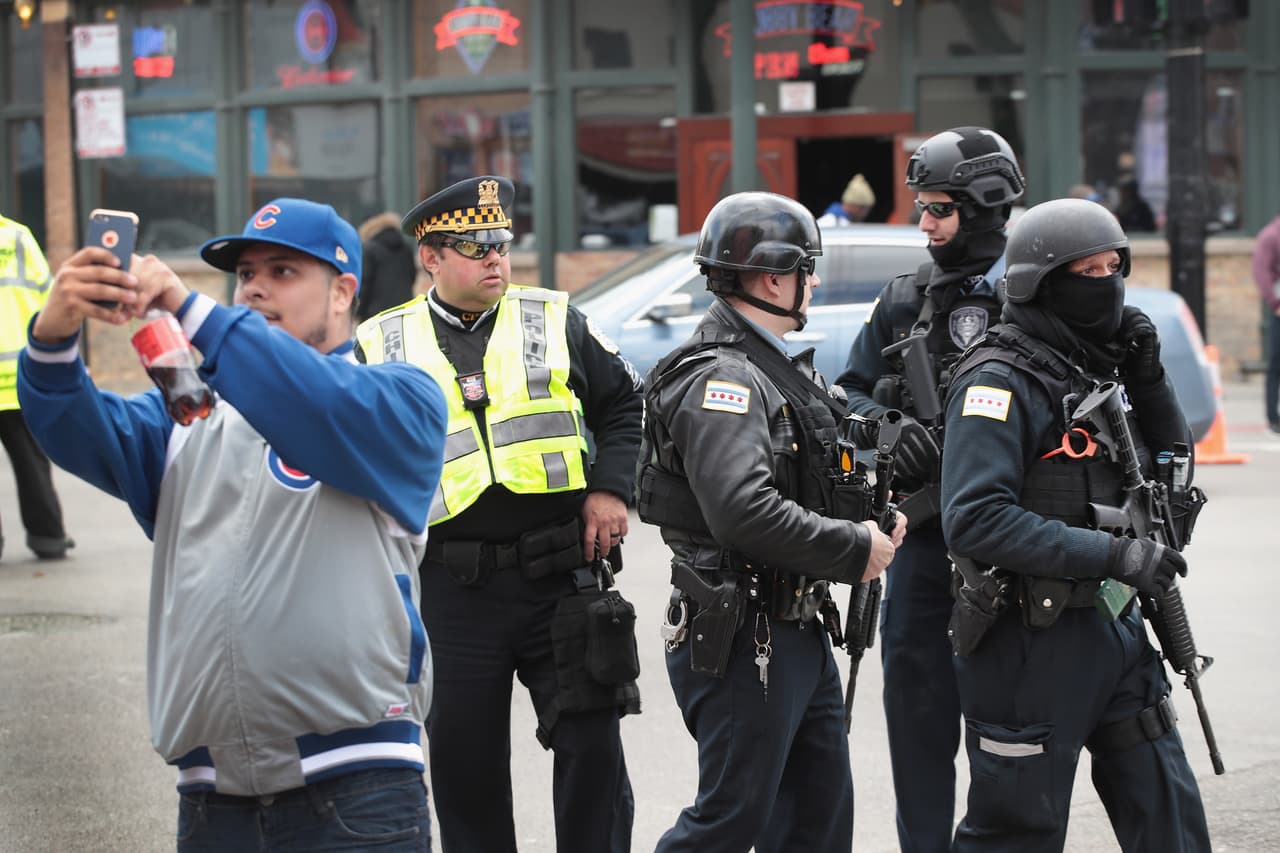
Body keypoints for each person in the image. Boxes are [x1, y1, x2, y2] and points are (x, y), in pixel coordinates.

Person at [18, 198, 448, 851]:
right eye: (246, 273)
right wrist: (53, 335)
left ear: (342, 293)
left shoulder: (399, 398)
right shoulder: (188, 417)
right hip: (211, 800)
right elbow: (76, 429)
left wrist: (192, 311)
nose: (253, 287)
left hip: (358, 790)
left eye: (282, 271)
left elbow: (313, 399)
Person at [354, 175, 643, 853]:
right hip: (453, 593)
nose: (495, 258)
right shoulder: (380, 343)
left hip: (561, 577)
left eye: (502, 244)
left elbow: (624, 404)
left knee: (594, 753)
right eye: (475, 246)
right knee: (466, 772)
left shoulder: (554, 318)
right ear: (430, 257)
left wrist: (610, 489)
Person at [940, 197, 1211, 852]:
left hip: (1115, 626)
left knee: (1169, 814)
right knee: (1016, 834)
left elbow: (1170, 480)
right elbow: (974, 519)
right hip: (1028, 642)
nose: (1107, 285)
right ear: (1039, 282)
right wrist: (1116, 556)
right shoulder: (997, 381)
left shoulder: (1092, 369)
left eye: (1115, 268)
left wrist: (1149, 381)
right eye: (1089, 272)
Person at [638, 190, 904, 853]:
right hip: (742, 632)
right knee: (730, 821)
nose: (813, 284)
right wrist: (854, 547)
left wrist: (871, 519)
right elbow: (743, 511)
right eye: (807, 269)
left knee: (816, 820)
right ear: (771, 278)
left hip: (795, 624)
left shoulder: (770, 366)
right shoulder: (722, 378)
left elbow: (799, 481)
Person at [834, 125, 1025, 853]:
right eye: (922, 207)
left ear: (984, 206)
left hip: (1012, 547)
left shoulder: (1036, 293)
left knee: (1008, 737)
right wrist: (887, 427)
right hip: (919, 546)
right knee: (917, 723)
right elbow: (846, 397)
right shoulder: (904, 298)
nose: (924, 223)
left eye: (939, 209)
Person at [0, 214, 74, 561]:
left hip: (17, 375)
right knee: (31, 461)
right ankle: (48, 538)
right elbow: (49, 298)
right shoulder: (17, 237)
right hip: (17, 375)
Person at [357, 211, 419, 322]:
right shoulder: (406, 248)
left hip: (377, 316)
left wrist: (359, 312)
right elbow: (412, 276)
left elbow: (365, 284)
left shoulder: (370, 249)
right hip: (404, 311)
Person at [1251, 210, 1280, 434]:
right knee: (1276, 363)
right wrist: (1274, 302)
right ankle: (1273, 417)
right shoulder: (1270, 236)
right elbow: (1261, 272)